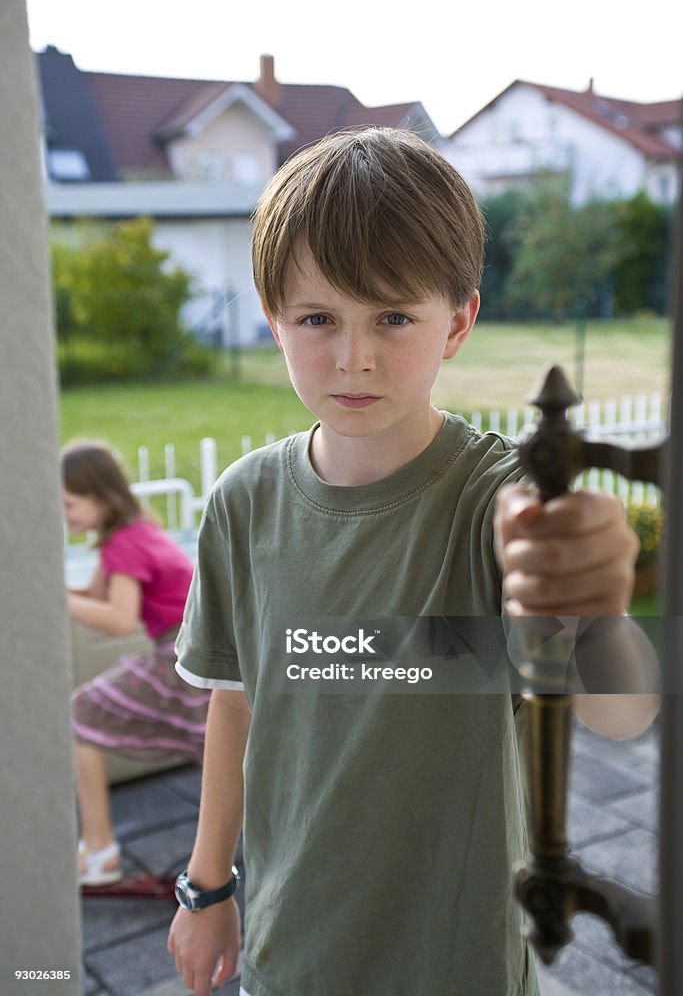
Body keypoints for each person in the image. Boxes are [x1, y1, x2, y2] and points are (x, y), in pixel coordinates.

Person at [167, 128, 657, 996]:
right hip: (288, 954)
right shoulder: (241, 504)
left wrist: (594, 603)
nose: (353, 356)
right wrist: (208, 887)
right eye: (318, 318)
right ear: (272, 316)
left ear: (458, 321)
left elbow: (620, 715)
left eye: (392, 316)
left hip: (458, 960)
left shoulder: (498, 504)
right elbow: (234, 705)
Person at [62, 441, 210, 886]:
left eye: (69, 503)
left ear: (101, 497)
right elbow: (97, 596)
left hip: (181, 654)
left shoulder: (122, 545)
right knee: (223, 754)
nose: (64, 514)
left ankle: (100, 847)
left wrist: (57, 599)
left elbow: (118, 617)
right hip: (200, 650)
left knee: (78, 713)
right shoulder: (135, 528)